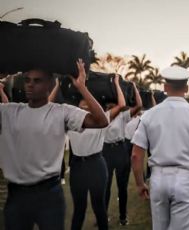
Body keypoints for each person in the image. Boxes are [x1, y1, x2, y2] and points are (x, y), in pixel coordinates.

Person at [0, 60, 109, 230]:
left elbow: (101, 121)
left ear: (50, 85)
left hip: (49, 194)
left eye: (37, 81)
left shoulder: (62, 112)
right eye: (27, 80)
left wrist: (81, 87)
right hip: (16, 194)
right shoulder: (10, 111)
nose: (30, 85)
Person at [131, 66, 189, 230]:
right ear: (186, 88)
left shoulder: (149, 115)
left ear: (165, 87)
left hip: (158, 179)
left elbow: (136, 155)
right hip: (185, 179)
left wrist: (140, 183)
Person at [49, 74, 125, 230]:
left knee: (99, 208)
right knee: (79, 209)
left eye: (87, 106)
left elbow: (122, 104)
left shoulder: (103, 118)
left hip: (96, 164)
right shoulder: (71, 119)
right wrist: (57, 84)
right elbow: (47, 107)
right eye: (81, 106)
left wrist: (116, 83)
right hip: (77, 166)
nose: (84, 108)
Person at [103, 77, 143, 226]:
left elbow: (139, 105)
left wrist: (133, 87)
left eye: (112, 103)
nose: (109, 105)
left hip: (120, 150)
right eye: (107, 103)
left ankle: (122, 217)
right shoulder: (101, 115)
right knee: (105, 187)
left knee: (122, 187)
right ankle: (103, 215)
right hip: (105, 152)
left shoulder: (122, 116)